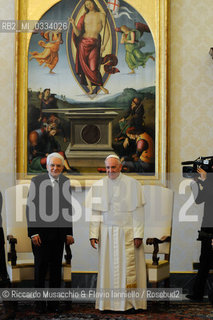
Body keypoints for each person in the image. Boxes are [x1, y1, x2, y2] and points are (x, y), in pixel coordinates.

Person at [87, 155, 147, 312]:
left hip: (128, 232)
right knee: (109, 269)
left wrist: (138, 234)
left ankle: (132, 303)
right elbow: (95, 213)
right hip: (107, 233)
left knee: (129, 270)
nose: (110, 171)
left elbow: (138, 212)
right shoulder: (99, 186)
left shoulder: (133, 184)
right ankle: (108, 304)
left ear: (121, 167)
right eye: (107, 167)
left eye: (113, 167)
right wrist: (93, 234)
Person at [26, 152, 74, 313]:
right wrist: (33, 232)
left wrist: (69, 233)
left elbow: (68, 210)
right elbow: (30, 208)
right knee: (40, 269)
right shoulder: (37, 181)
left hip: (59, 235)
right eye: (52, 165)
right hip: (40, 235)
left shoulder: (66, 182)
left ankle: (53, 305)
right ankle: (39, 305)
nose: (55, 168)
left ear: (62, 167)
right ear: (47, 166)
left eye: (58, 165)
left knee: (55, 270)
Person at [70, 0, 109, 95]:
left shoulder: (101, 15)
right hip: (83, 43)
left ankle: (101, 86)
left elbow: (107, 32)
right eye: (86, 5)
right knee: (85, 68)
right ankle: (91, 89)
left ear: (94, 3)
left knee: (93, 67)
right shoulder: (84, 16)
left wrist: (104, 45)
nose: (89, 6)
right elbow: (78, 34)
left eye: (90, 3)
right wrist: (73, 24)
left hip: (94, 43)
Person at [186, 167, 213, 303]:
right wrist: (196, 182)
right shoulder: (209, 181)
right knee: (204, 261)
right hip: (207, 226)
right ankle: (198, 293)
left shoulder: (209, 181)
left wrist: (205, 179)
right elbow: (199, 199)